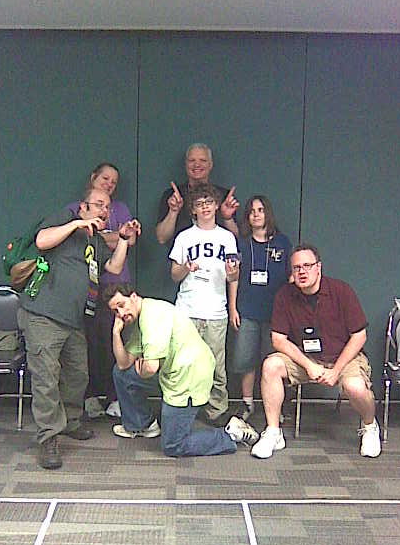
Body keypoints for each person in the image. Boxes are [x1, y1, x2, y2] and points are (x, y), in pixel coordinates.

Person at [17, 188, 141, 469]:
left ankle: (71, 421)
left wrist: (123, 239)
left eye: (107, 207)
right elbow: (42, 240)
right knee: (46, 377)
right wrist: (75, 224)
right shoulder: (65, 219)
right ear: (83, 206)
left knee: (77, 375)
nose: (103, 211)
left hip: (73, 320)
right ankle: (48, 437)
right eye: (98, 205)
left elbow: (113, 267)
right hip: (43, 314)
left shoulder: (95, 240)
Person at [251, 243, 381, 459]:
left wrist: (336, 371)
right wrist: (308, 365)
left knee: (355, 387)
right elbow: (278, 339)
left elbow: (359, 336)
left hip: (343, 358)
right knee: (271, 365)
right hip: (307, 360)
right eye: (296, 268)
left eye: (307, 266)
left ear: (318, 267)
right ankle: (273, 432)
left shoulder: (341, 291)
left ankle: (369, 426)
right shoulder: (285, 295)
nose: (302, 272)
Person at [104, 283, 259, 457]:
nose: (121, 313)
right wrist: (116, 333)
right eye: (115, 311)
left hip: (189, 378)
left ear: (133, 297)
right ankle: (142, 425)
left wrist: (144, 370)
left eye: (121, 305)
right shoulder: (141, 317)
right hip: (173, 372)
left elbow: (150, 368)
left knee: (173, 445)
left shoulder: (152, 316)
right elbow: (123, 364)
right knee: (122, 374)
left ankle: (230, 435)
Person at [67, 163, 135, 420]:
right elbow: (81, 236)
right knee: (87, 343)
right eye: (105, 178)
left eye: (114, 182)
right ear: (93, 177)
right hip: (88, 286)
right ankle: (90, 397)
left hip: (117, 285)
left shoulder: (121, 209)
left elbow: (130, 239)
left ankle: (115, 397)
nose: (109, 184)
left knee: (115, 340)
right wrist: (111, 236)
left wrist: (107, 236)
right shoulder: (76, 209)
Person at [169, 183, 239, 425]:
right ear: (193, 210)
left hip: (216, 311)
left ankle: (216, 411)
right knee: (183, 362)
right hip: (187, 309)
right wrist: (185, 268)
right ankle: (181, 410)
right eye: (199, 204)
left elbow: (233, 277)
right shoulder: (184, 237)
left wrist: (232, 274)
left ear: (217, 205)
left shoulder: (227, 238)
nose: (205, 207)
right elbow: (174, 274)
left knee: (216, 366)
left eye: (209, 202)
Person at [229, 196, 292, 420]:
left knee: (272, 361)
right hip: (247, 310)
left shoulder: (282, 243)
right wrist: (233, 307)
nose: (256, 214)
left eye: (261, 210)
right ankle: (247, 403)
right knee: (245, 359)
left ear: (268, 213)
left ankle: (273, 406)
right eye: (252, 211)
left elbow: (290, 277)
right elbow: (233, 277)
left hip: (275, 313)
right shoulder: (242, 243)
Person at [155, 143, 239, 244]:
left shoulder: (224, 196)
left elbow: (236, 240)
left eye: (203, 160)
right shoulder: (172, 196)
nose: (197, 165)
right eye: (192, 160)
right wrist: (173, 211)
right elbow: (162, 238)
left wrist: (227, 218)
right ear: (186, 164)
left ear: (210, 165)